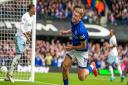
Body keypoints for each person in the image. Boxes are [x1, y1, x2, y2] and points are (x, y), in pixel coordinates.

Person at [60, 6, 98, 85]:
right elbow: (73, 29)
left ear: (80, 17)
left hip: (82, 52)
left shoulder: (81, 30)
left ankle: (92, 66)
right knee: (64, 66)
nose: (73, 17)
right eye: (73, 15)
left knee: (81, 78)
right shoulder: (73, 21)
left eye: (76, 16)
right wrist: (65, 32)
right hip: (74, 48)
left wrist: (71, 47)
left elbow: (83, 46)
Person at [5, 4, 35, 83]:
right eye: (34, 8)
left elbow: (28, 30)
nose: (35, 10)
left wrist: (28, 37)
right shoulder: (25, 16)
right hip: (19, 37)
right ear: (31, 9)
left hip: (24, 39)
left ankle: (9, 74)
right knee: (18, 56)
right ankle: (9, 74)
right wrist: (27, 36)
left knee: (18, 57)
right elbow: (21, 27)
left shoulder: (31, 18)